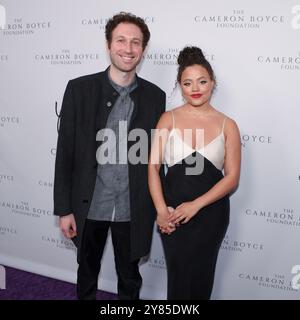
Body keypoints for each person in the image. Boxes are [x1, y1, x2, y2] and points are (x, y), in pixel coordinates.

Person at [54, 12, 166, 300]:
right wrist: (63, 209)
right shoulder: (79, 89)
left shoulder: (156, 96)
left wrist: (162, 206)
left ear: (143, 49)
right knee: (87, 272)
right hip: (89, 204)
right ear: (108, 44)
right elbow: (65, 152)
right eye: (121, 40)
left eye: (136, 42)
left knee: (130, 277)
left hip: (133, 207)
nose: (128, 49)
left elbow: (157, 158)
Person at [148, 46, 241, 300]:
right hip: (173, 214)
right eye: (187, 83)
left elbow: (232, 178)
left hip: (210, 215)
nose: (196, 88)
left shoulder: (228, 125)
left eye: (202, 81)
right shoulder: (168, 119)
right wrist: (160, 210)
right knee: (178, 279)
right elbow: (153, 167)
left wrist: (196, 205)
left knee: (202, 278)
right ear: (180, 85)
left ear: (213, 82)